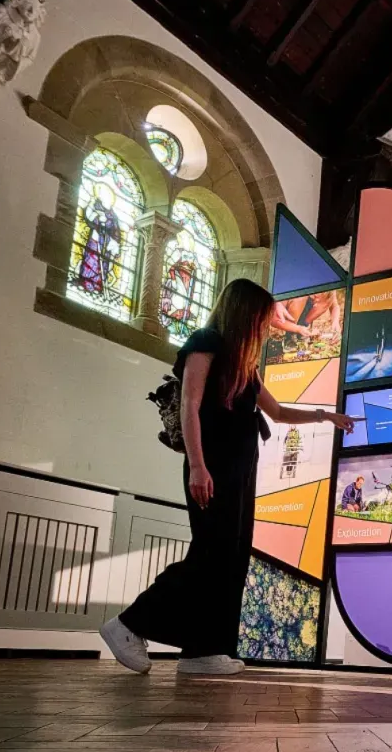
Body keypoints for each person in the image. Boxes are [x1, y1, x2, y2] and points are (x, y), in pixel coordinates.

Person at [100, 279, 353, 676]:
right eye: (263, 318)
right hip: (212, 465)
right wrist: (198, 466)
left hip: (240, 469)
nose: (269, 327)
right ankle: (129, 624)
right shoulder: (207, 343)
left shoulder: (244, 365)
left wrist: (326, 416)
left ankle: (203, 651)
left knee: (231, 557)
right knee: (210, 553)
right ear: (245, 313)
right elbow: (190, 404)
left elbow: (279, 413)